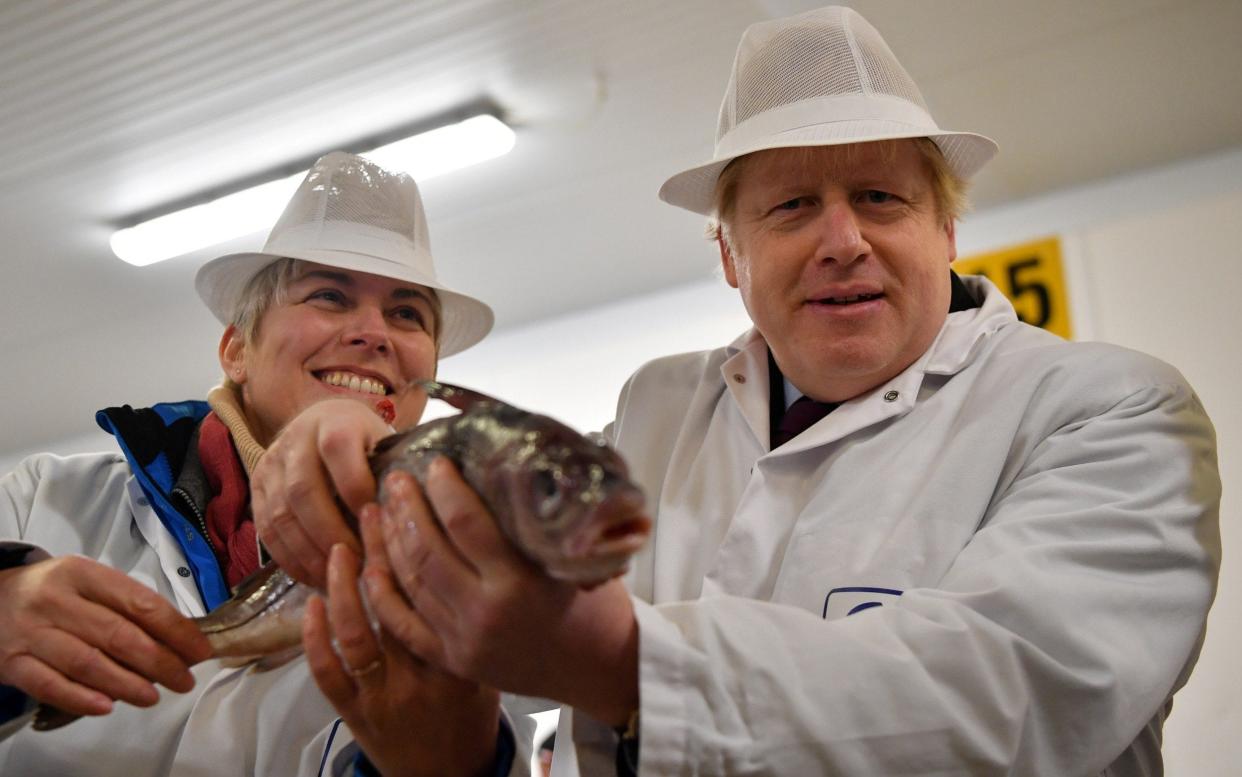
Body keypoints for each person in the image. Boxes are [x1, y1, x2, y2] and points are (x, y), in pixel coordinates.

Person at [254, 6, 1222, 776]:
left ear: (947, 230)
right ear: (729, 253)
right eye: (793, 206)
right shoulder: (653, 420)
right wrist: (348, 433)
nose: (842, 239)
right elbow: (474, 672)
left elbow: (1005, 706)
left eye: (881, 197)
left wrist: (626, 666)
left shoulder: (1109, 413)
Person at [0, 151, 525, 776]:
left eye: (406, 314)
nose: (373, 332)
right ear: (236, 350)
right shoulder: (44, 500)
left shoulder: (465, 566)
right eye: (329, 296)